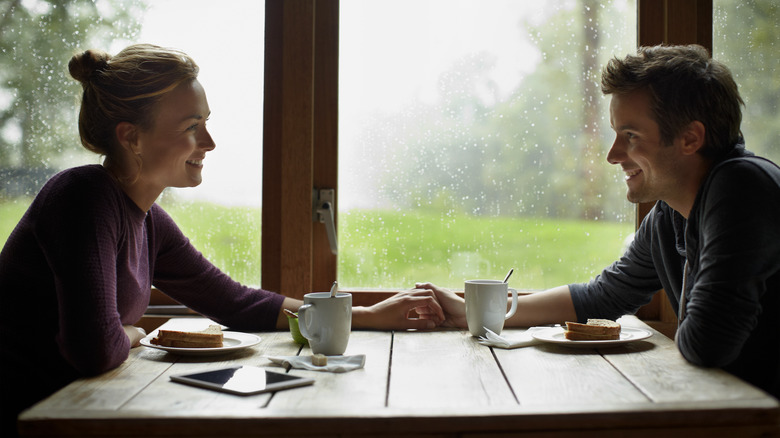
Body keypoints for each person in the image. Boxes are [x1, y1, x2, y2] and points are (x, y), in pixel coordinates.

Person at [0, 44, 444, 436]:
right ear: (131, 136)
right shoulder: (83, 198)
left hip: (79, 414)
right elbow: (94, 350)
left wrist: (364, 314)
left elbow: (238, 303)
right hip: (34, 420)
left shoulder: (149, 221)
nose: (209, 142)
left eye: (206, 123)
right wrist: (135, 331)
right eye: (192, 126)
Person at [416, 44, 780, 399]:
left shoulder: (742, 187)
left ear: (690, 138)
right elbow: (602, 296)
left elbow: (705, 345)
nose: (612, 155)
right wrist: (474, 313)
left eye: (630, 136)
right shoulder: (672, 214)